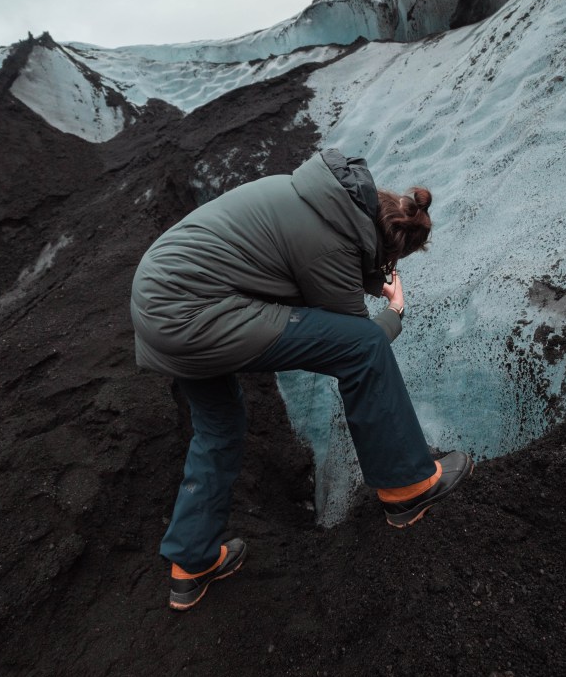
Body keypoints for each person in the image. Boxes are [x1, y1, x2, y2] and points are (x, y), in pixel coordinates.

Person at [131, 148, 474, 610]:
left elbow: (301, 272)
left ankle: (191, 563)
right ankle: (407, 486)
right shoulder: (330, 242)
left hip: (160, 302)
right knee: (363, 348)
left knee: (219, 426)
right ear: (384, 247)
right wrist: (395, 310)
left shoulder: (316, 199)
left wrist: (372, 279)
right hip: (193, 312)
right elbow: (356, 338)